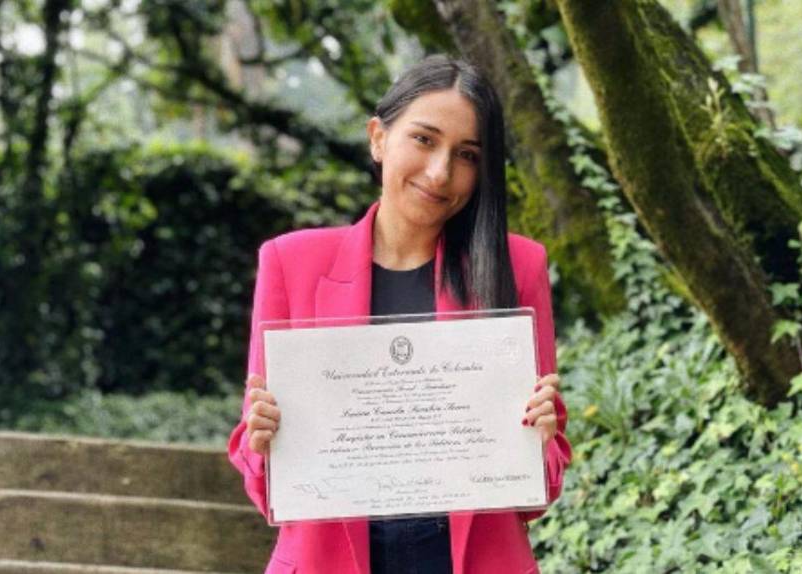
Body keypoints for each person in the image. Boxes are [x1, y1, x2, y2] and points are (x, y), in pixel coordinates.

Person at [228, 54, 572, 574]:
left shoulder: (517, 266)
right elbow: (263, 484)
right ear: (378, 138)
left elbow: (536, 492)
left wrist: (538, 440)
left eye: (467, 155)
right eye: (424, 139)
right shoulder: (290, 263)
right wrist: (263, 443)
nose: (440, 172)